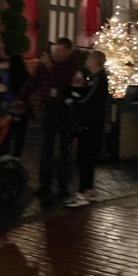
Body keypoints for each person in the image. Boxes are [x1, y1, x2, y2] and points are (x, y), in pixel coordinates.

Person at [16, 37, 78, 201]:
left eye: (59, 51)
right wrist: (21, 98)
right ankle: (45, 183)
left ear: (67, 52)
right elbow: (33, 82)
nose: (55, 54)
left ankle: (63, 184)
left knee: (65, 147)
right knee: (45, 148)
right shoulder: (43, 65)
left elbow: (61, 85)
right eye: (54, 51)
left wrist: (50, 67)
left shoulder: (71, 67)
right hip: (49, 110)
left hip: (65, 111)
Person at [65, 51, 110, 208]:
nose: (87, 60)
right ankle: (89, 190)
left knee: (83, 156)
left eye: (89, 58)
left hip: (90, 123)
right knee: (87, 157)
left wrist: (72, 101)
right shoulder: (96, 79)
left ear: (94, 62)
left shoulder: (98, 79)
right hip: (93, 122)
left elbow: (88, 99)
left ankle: (83, 192)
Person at [6, 54, 30, 157]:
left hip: (11, 105)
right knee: (21, 131)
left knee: (9, 130)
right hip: (23, 106)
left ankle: (7, 151)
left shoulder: (9, 74)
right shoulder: (26, 74)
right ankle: (17, 153)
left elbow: (6, 88)